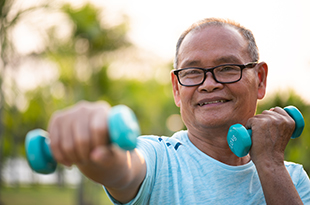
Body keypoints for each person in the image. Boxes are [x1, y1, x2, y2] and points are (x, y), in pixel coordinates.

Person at [48, 18, 310, 204]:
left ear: (260, 79)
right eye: (193, 72)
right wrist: (96, 150)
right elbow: (123, 167)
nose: (209, 84)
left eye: (228, 68)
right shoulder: (159, 158)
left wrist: (270, 164)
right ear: (176, 89)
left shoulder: (294, 179)